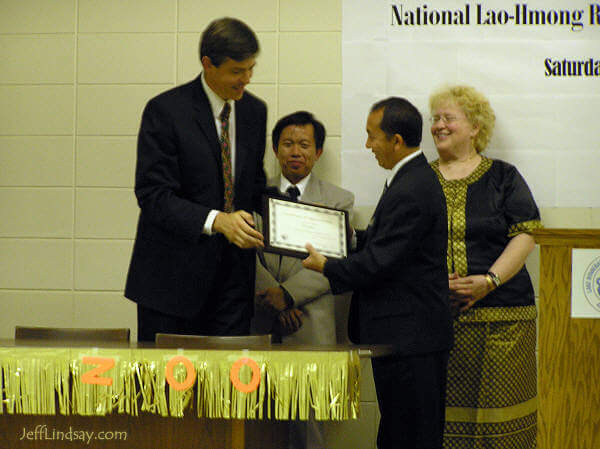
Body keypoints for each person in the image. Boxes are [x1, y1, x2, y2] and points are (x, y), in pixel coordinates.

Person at [303, 97, 453, 449]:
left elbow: (381, 262)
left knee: (410, 437)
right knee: (399, 433)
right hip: (407, 338)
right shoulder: (410, 179)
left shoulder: (413, 187)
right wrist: (350, 237)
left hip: (412, 339)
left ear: (396, 141)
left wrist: (327, 265)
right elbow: (390, 243)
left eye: (373, 136)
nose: (368, 145)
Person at [124, 17, 267, 342]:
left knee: (228, 388)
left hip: (233, 281)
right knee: (170, 388)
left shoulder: (254, 112)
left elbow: (253, 185)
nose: (245, 80)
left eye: (251, 69)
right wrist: (218, 221)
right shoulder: (166, 111)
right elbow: (154, 195)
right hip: (172, 281)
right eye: (236, 71)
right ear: (208, 64)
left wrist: (302, 223)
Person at [428, 85, 541, 448]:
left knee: (501, 426)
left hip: (503, 323)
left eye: (449, 118)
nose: (439, 126)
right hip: (437, 322)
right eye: (435, 119)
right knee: (440, 423)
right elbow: (397, 245)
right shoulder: (417, 179)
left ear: (475, 127)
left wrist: (489, 281)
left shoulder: (504, 176)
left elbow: (524, 234)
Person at [254, 111, 354, 347]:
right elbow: (244, 256)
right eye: (288, 144)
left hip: (310, 320)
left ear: (317, 152)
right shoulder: (252, 195)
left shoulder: (339, 200)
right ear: (276, 150)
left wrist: (287, 296)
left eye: (304, 145)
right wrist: (271, 298)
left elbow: (334, 263)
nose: (296, 152)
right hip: (260, 317)